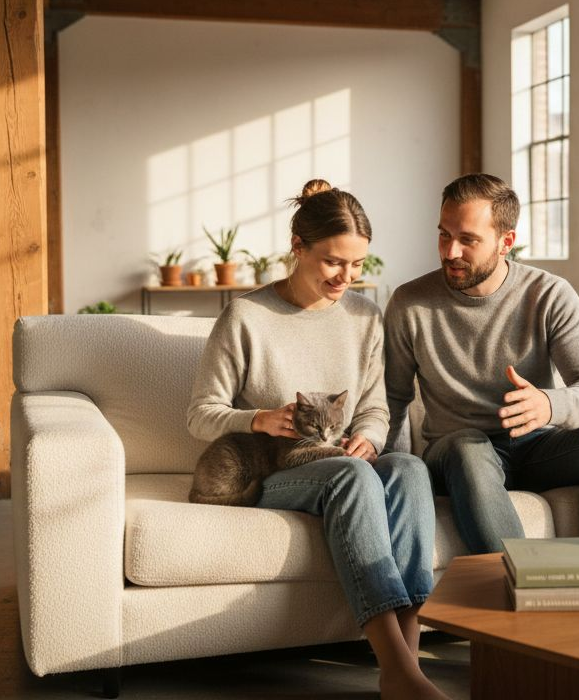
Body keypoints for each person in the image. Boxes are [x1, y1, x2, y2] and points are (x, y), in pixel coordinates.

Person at [186, 180, 448, 700]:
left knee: (409, 468)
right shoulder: (246, 317)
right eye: (333, 262)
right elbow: (200, 415)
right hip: (273, 471)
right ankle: (395, 668)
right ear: (298, 247)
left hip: (340, 459)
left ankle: (410, 659)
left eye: (357, 265)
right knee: (351, 476)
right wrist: (259, 419)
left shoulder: (365, 317)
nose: (346, 277)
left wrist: (369, 437)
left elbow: (375, 406)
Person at [384, 173, 579, 555]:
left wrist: (549, 404)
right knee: (467, 447)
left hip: (536, 447)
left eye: (468, 240)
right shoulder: (409, 303)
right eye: (444, 234)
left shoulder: (548, 294)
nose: (450, 251)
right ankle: (522, 580)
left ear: (506, 242)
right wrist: (391, 475)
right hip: (457, 454)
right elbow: (392, 400)